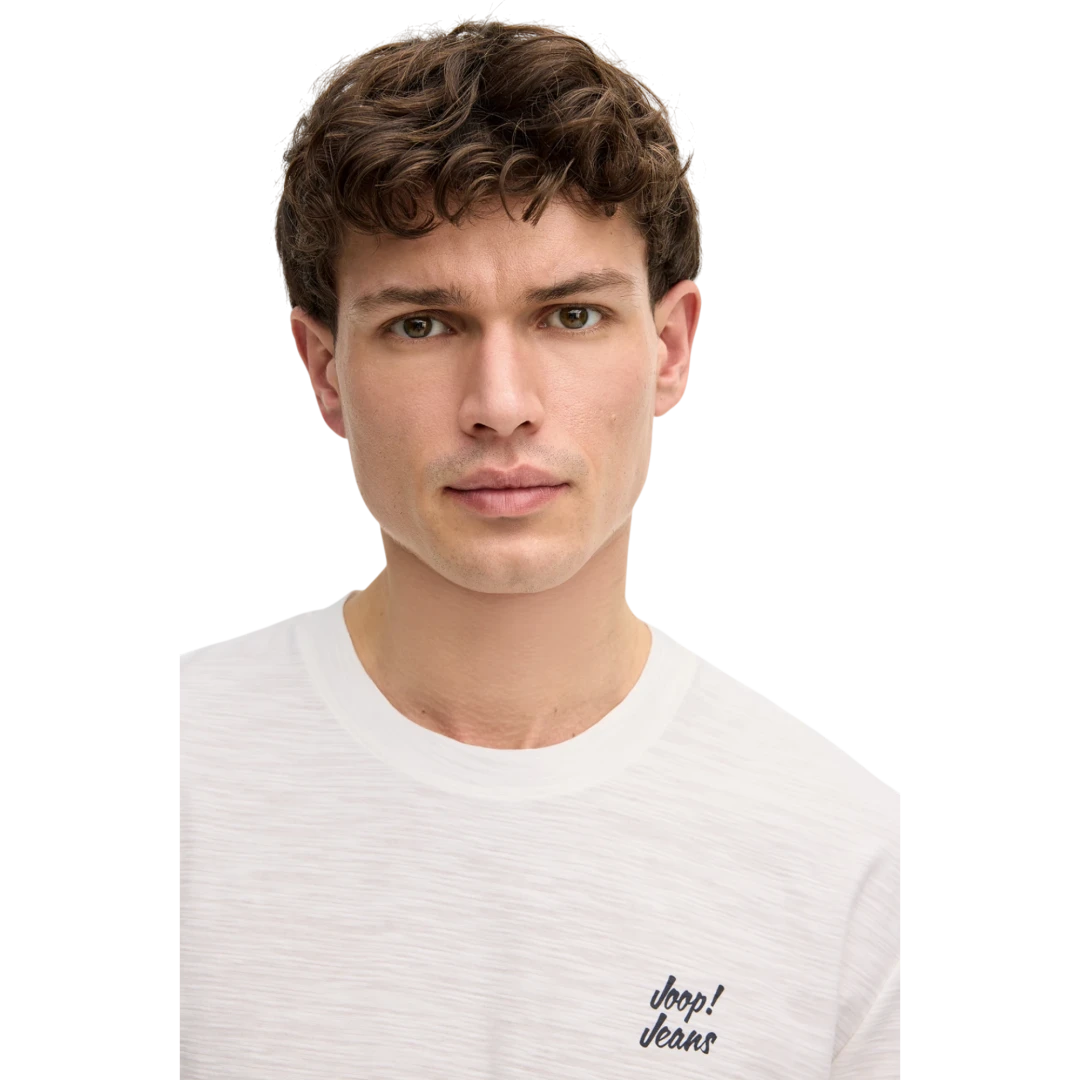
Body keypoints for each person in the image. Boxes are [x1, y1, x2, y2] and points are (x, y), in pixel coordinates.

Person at [178, 11, 902, 1078]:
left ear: (671, 347)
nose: (501, 404)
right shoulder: (145, 798)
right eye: (422, 324)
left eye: (569, 316)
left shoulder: (851, 861)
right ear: (325, 372)